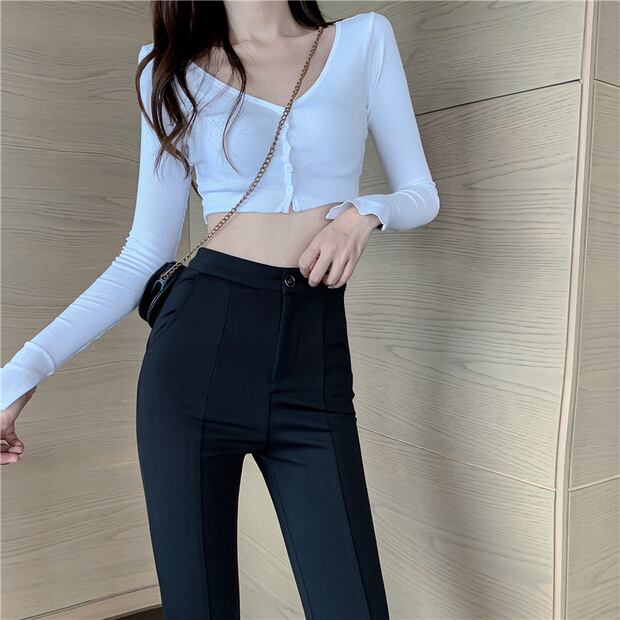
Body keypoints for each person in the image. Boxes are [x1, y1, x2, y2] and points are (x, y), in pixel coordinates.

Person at [0, 2, 440, 618]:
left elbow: (421, 194)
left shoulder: (363, 41)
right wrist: (19, 374)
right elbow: (142, 256)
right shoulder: (169, 71)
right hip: (196, 359)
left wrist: (365, 214)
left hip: (313, 362)